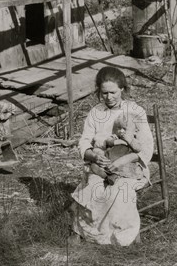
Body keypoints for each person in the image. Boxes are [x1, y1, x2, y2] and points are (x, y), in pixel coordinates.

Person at [70, 66, 154, 246]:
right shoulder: (96, 112)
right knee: (91, 187)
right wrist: (93, 156)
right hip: (102, 164)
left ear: (122, 88)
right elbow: (84, 141)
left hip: (130, 166)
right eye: (104, 93)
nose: (108, 97)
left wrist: (122, 161)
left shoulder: (135, 111)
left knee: (118, 191)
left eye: (113, 92)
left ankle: (118, 235)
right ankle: (86, 231)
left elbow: (146, 148)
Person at [89, 113, 144, 185]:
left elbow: (138, 149)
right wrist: (115, 141)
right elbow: (108, 141)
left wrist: (130, 141)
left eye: (124, 129)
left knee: (124, 170)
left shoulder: (133, 140)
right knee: (93, 166)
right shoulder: (116, 137)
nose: (121, 131)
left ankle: (113, 177)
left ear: (135, 131)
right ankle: (106, 177)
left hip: (121, 163)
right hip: (108, 161)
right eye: (119, 128)